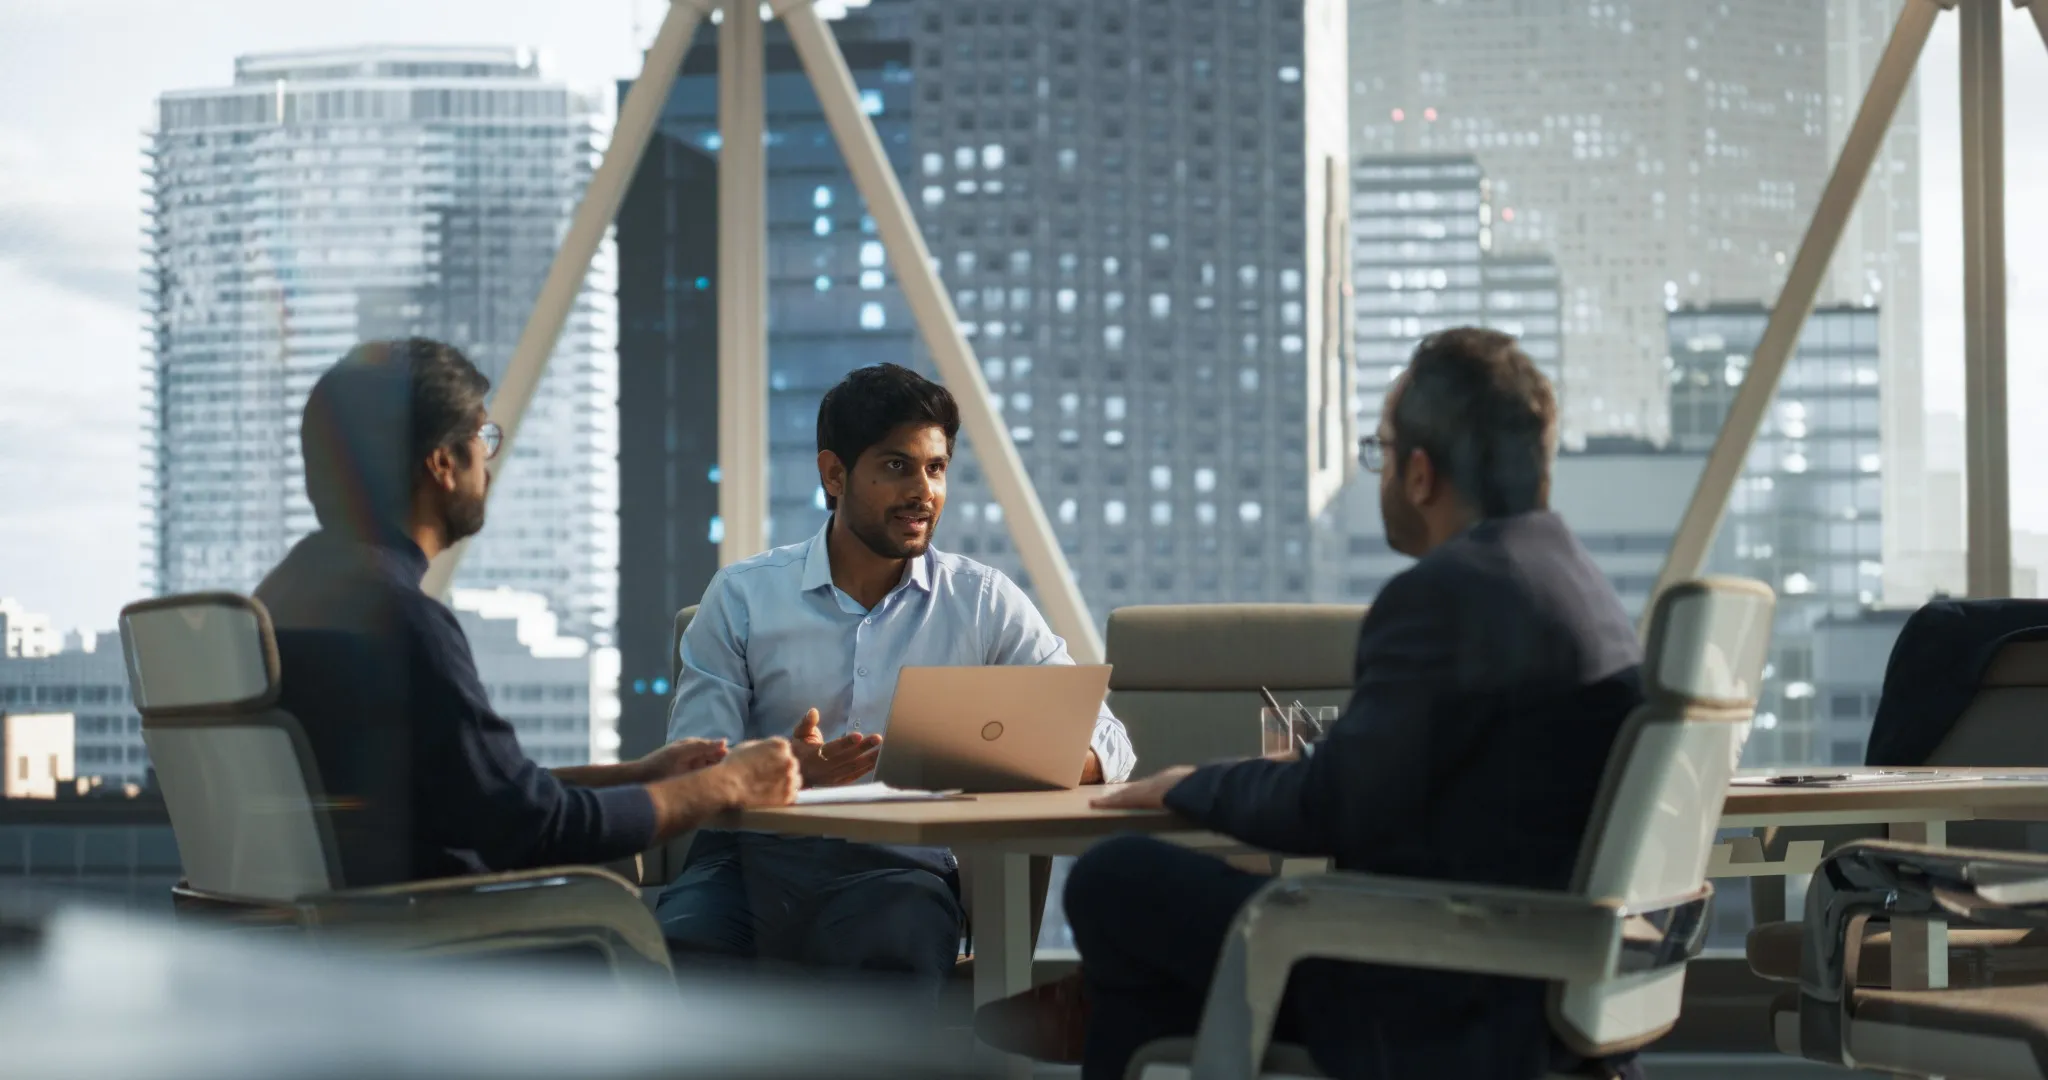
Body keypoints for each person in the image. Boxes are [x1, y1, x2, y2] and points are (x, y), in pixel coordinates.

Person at [977, 329, 1646, 1079]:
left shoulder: (1449, 595)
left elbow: (1331, 807)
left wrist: (1194, 782)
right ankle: (1109, 1010)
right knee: (1136, 1013)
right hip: (1534, 977)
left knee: (1114, 878)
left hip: (1439, 984)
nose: (1381, 472)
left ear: (1420, 475)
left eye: (1381, 451)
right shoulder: (1584, 590)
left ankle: (1097, 1005)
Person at [656, 362, 1135, 986]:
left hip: (897, 870)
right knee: (682, 956)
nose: (923, 491)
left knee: (892, 951)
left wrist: (1020, 759)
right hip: (745, 863)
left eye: (935, 468)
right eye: (895, 466)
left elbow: (1111, 743)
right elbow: (690, 766)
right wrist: (783, 774)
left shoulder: (983, 601)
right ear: (834, 473)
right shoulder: (742, 597)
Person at [256, 338, 800, 887]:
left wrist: (637, 776)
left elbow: (479, 791)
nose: (488, 466)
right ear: (443, 462)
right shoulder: (401, 622)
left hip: (325, 930)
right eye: (481, 438)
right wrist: (727, 785)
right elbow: (533, 829)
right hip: (428, 934)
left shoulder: (282, 599)